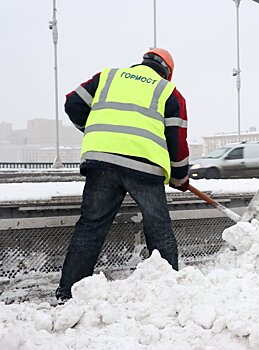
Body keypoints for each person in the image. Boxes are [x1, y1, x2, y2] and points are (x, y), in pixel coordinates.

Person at [56, 48, 190, 301]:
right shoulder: (168, 92)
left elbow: (73, 103)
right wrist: (179, 175)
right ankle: (170, 292)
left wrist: (94, 129)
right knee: (159, 229)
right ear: (167, 73)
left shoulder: (107, 77)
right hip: (144, 168)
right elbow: (177, 141)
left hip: (102, 162)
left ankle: (68, 294)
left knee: (90, 227)